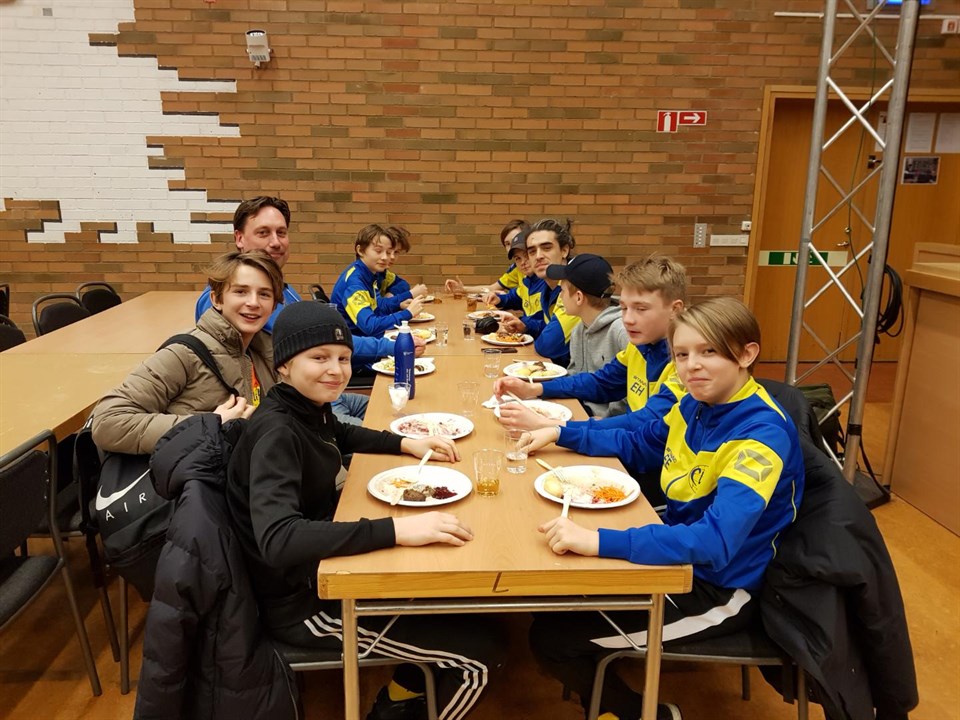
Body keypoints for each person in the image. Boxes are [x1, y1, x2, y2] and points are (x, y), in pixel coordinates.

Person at [519, 297, 805, 720]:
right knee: (553, 595)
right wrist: (560, 433)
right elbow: (641, 442)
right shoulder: (696, 403)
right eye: (682, 355)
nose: (692, 367)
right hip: (679, 555)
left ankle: (644, 713)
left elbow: (714, 541)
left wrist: (598, 541)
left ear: (747, 354)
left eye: (709, 351)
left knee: (553, 638)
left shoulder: (761, 436)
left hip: (721, 588)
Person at [226, 302, 504, 720]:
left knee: (464, 606)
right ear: (283, 364)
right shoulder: (276, 433)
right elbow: (278, 539)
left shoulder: (302, 406)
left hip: (322, 573)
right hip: (305, 605)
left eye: (343, 358)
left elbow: (339, 432)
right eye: (319, 358)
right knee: (481, 656)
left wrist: (406, 443)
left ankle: (400, 695)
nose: (336, 370)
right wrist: (396, 530)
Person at [194, 197, 417, 426]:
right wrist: (395, 346)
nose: (275, 242)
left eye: (281, 233)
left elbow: (322, 342)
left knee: (408, 413)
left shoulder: (285, 290)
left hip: (319, 394)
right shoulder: (222, 302)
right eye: (263, 233)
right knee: (388, 430)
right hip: (291, 413)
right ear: (239, 238)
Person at [93, 250, 282, 454]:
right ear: (216, 299)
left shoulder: (270, 354)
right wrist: (209, 426)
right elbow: (107, 422)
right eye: (240, 291)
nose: (253, 302)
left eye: (264, 294)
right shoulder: (184, 354)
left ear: (274, 306)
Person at [496, 255, 687, 431]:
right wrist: (534, 388)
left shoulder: (686, 363)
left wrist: (552, 426)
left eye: (641, 309)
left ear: (675, 310)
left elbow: (645, 424)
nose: (628, 319)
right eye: (624, 308)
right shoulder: (639, 346)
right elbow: (601, 382)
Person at [498, 253, 626, 419]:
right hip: (576, 407)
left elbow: (630, 397)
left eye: (563, 291)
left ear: (578, 297)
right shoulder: (579, 328)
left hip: (606, 423)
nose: (560, 296)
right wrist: (533, 389)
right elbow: (575, 377)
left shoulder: (622, 332)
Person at [331, 223, 427, 337]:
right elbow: (370, 326)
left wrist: (399, 305)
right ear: (360, 250)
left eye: (388, 252)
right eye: (378, 251)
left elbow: (377, 307)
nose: (386, 257)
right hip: (353, 342)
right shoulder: (354, 283)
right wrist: (407, 313)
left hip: (367, 337)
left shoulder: (370, 272)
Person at [444, 219, 529, 295]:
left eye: (516, 240)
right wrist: (463, 289)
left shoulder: (535, 269)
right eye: (507, 244)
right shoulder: (516, 269)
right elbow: (492, 288)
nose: (511, 247)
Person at [376, 225, 428, 312]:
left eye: (396, 252)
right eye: (388, 251)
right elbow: (376, 307)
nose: (392, 256)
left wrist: (391, 295)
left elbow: (403, 284)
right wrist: (411, 293)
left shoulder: (383, 273)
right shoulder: (365, 275)